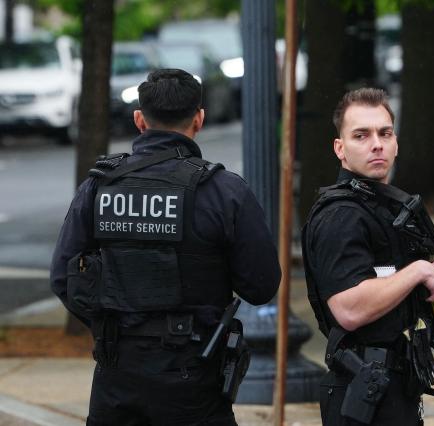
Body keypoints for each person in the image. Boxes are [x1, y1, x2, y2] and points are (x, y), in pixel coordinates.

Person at [50, 69, 281, 425]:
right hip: (193, 374)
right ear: (199, 119)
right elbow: (261, 285)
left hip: (117, 373)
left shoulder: (99, 187)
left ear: (139, 120)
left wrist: (112, 325)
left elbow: (63, 277)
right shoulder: (223, 191)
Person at [302, 87, 434, 425]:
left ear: (396, 142)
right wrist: (417, 271)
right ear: (340, 149)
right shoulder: (340, 216)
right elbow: (349, 310)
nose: (377, 144)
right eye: (361, 135)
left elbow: (413, 305)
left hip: (397, 387)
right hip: (361, 393)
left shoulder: (389, 208)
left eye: (385, 133)